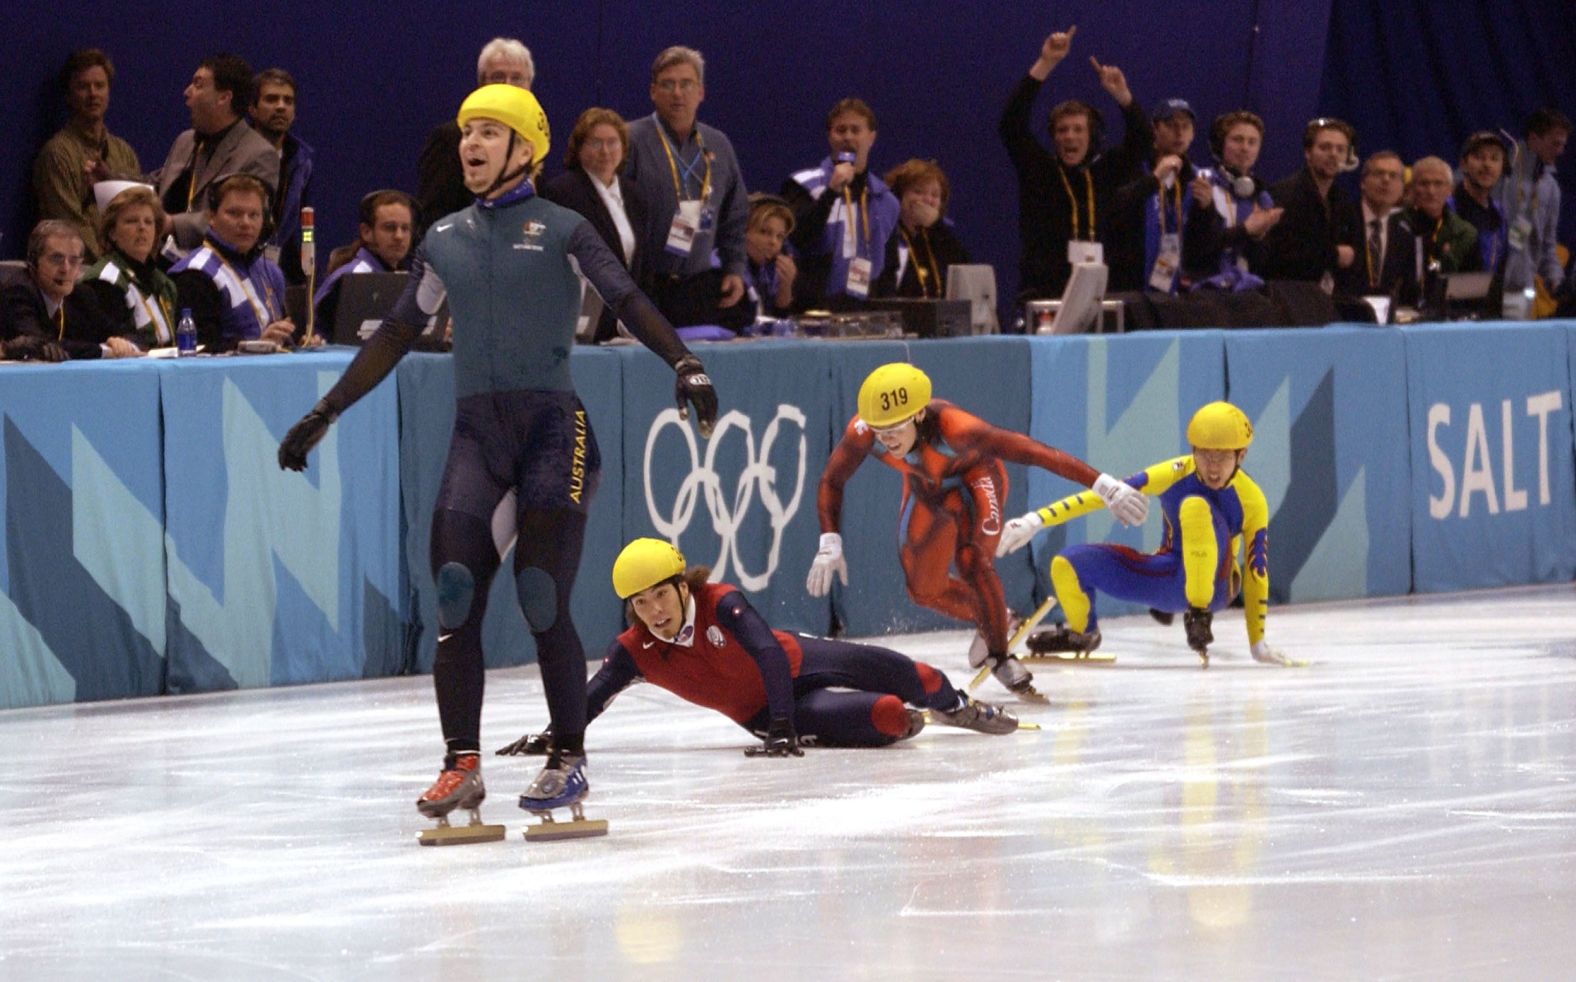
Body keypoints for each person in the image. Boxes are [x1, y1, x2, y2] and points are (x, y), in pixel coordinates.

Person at [274, 85, 718, 836]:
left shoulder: (565, 228)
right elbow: (392, 335)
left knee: (540, 592)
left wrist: (685, 363)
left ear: (526, 149)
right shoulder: (443, 236)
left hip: (553, 432)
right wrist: (327, 409)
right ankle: (462, 763)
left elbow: (627, 296)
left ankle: (568, 753)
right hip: (478, 435)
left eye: (488, 132)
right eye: (465, 133)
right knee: (454, 595)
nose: (470, 145)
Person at [806, 362, 1148, 698]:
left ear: (920, 415)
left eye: (895, 427)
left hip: (976, 483)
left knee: (971, 561)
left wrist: (1104, 485)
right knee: (923, 589)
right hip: (925, 491)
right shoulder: (863, 431)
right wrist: (829, 540)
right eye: (880, 429)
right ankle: (1000, 616)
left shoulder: (957, 429)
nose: (886, 439)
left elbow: (1034, 453)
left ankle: (1000, 656)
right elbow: (832, 479)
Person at [498, 539, 1020, 758]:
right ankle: (914, 717)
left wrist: (785, 727)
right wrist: (556, 736)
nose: (654, 610)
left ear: (683, 586)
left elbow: (769, 654)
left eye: (660, 594)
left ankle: (958, 707)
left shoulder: (720, 601)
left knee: (922, 678)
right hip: (765, 713)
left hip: (798, 662)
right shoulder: (634, 649)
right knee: (886, 717)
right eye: (641, 603)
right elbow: (593, 696)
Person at [996, 401, 1293, 668]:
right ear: (1193, 451)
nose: (1212, 467)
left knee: (1194, 507)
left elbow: (1257, 571)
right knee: (1067, 563)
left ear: (1241, 456)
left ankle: (1199, 613)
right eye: (1205, 455)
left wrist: (1258, 643)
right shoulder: (1175, 472)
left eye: (1222, 457)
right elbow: (1105, 494)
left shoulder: (1252, 500)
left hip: (1217, 586)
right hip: (1168, 579)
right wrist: (1036, 520)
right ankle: (1082, 634)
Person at [998, 24, 1152, 300]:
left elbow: (1141, 140)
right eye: (1062, 130)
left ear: (1091, 135)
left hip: (1099, 292)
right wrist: (1045, 64)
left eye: (1078, 129)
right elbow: (1012, 125)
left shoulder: (1105, 171)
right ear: (1054, 136)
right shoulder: (1040, 170)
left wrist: (1122, 96)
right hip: (1044, 292)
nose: (1070, 136)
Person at [623, 46, 750, 328]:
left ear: (701, 92)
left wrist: (734, 268)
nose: (677, 93)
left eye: (686, 84)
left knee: (694, 368)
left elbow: (735, 215)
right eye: (668, 84)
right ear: (653, 91)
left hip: (698, 286)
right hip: (645, 284)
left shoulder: (718, 144)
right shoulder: (629, 139)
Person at [541, 108, 651, 343]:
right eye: (595, 143)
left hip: (628, 324)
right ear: (579, 148)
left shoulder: (635, 195)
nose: (605, 151)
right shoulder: (563, 192)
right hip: (584, 322)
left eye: (612, 142)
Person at [149, 53, 279, 252]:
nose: (187, 92)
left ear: (224, 97)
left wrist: (172, 224)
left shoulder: (259, 154)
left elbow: (240, 218)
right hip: (161, 261)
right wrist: (112, 181)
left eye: (198, 85)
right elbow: (156, 185)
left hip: (216, 268)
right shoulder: (185, 141)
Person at [781, 98, 900, 309]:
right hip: (812, 311)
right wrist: (831, 193)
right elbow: (798, 238)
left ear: (871, 137)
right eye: (840, 130)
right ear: (830, 137)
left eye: (856, 130)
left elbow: (889, 268)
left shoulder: (885, 200)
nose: (847, 137)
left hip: (866, 317)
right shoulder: (804, 186)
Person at [168, 174, 300, 352]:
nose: (246, 223)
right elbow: (198, 349)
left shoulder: (270, 270)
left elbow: (283, 335)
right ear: (211, 218)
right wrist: (255, 345)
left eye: (253, 215)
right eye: (234, 213)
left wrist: (303, 341)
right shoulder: (195, 274)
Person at [416, 37, 534, 235]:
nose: (508, 85)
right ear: (481, 84)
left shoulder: (533, 139)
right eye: (498, 77)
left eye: (517, 78)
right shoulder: (451, 138)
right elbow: (434, 219)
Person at [32, 49, 141, 260]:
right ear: (68, 95)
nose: (93, 94)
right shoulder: (57, 155)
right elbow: (70, 227)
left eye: (99, 86)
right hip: (79, 271)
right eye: (83, 87)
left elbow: (138, 214)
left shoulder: (124, 153)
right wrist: (112, 268)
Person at [1114, 98, 1216, 295]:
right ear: (1155, 129)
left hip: (1174, 285)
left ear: (1193, 134)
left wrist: (1207, 209)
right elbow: (1116, 210)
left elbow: (1204, 244)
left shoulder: (1197, 179)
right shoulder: (1134, 168)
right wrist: (1153, 180)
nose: (1179, 133)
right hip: (1131, 284)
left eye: (1185, 126)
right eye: (1170, 125)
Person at [0, 220, 139, 360]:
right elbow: (39, 344)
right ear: (34, 262)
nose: (65, 269)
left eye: (73, 261)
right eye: (56, 259)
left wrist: (123, 344)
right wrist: (103, 351)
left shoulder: (81, 295)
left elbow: (128, 334)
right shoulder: (19, 292)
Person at [1185, 111, 1283, 290]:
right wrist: (1246, 230)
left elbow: (1263, 263)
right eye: (1237, 140)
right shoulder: (1201, 183)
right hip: (1203, 288)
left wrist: (1258, 238)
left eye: (1252, 142)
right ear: (1219, 145)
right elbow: (1198, 247)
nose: (1245, 148)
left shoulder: (1262, 197)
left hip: (1243, 291)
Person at [79, 182, 180, 349]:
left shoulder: (164, 283)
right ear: (112, 232)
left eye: (149, 222)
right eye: (132, 221)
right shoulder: (104, 281)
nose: (142, 228)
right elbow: (117, 343)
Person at [1261, 118, 1359, 288]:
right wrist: (1334, 255)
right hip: (1288, 295)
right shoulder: (1285, 194)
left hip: (1323, 297)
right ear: (1308, 152)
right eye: (1325, 147)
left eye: (1340, 149)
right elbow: (1281, 254)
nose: (1333, 154)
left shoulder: (1341, 199)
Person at [312, 189, 416, 330]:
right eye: (389, 228)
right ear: (366, 232)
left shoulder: (404, 277)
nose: (399, 236)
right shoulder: (354, 277)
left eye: (405, 228)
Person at [249, 68, 315, 285]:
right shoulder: (236, 153)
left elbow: (302, 227)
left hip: (279, 266)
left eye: (288, 101)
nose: (281, 106)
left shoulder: (302, 159)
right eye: (271, 99)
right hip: (240, 262)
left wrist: (303, 271)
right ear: (252, 108)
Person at [873, 159, 970, 299]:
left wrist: (937, 226)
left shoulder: (940, 237)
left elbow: (963, 272)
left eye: (935, 195)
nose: (927, 200)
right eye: (918, 192)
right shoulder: (886, 234)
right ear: (898, 196)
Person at [1502, 108, 1570, 310]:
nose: (1560, 151)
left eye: (1562, 145)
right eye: (1555, 143)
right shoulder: (1500, 174)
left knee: (1516, 341)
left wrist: (1556, 280)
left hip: (1521, 290)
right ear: (1533, 139)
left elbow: (1546, 245)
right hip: (1483, 284)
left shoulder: (1550, 188)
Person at [1334, 151, 1417, 304]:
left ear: (1402, 190)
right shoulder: (1340, 220)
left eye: (1393, 176)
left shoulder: (1404, 233)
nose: (1386, 180)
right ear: (1363, 183)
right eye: (1379, 174)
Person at [1404, 156, 1480, 309]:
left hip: (1450, 314)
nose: (1431, 191)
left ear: (1450, 190)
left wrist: (1437, 262)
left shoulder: (1465, 232)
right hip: (1403, 309)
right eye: (1424, 183)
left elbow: (1472, 285)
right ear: (1412, 188)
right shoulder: (1398, 225)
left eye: (1438, 184)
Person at [1454, 132, 1510, 285]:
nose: (1487, 165)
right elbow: (1431, 264)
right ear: (1463, 164)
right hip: (1447, 306)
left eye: (1494, 158)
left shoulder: (1499, 215)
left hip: (1488, 306)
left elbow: (1500, 269)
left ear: (1502, 167)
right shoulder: (1447, 208)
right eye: (1479, 157)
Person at [742, 194, 798, 319]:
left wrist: (785, 285)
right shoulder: (721, 268)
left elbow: (778, 322)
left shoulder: (767, 271)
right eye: (764, 232)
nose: (774, 242)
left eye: (780, 236)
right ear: (743, 231)